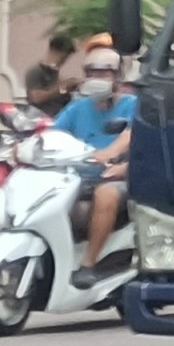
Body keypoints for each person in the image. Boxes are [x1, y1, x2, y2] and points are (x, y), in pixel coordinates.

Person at [49, 49, 136, 289]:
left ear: (117, 76)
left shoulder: (133, 105)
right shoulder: (77, 107)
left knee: (105, 194)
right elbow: (53, 133)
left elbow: (130, 133)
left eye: (104, 73)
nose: (97, 78)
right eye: (92, 73)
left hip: (120, 173)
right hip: (78, 174)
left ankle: (88, 263)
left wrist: (111, 154)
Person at [23, 32, 76, 116]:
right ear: (54, 51)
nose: (64, 61)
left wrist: (68, 88)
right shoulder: (35, 71)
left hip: (57, 118)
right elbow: (36, 98)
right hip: (40, 120)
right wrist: (62, 87)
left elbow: (58, 92)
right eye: (63, 57)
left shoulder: (54, 73)